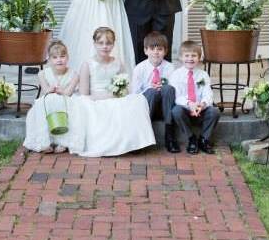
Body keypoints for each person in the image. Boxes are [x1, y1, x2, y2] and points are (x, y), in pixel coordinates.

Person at [73, 26, 155, 157]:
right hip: (96, 98)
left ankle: (133, 143)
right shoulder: (87, 64)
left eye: (108, 43)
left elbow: (125, 86)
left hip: (115, 96)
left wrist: (120, 92)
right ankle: (108, 144)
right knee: (93, 105)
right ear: (94, 44)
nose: (105, 46)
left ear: (113, 44)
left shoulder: (118, 63)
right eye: (101, 43)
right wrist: (106, 96)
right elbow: (84, 94)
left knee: (137, 100)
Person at [23, 40, 84, 154]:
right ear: (50, 60)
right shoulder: (42, 74)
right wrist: (50, 90)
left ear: (67, 57)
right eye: (55, 57)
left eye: (62, 56)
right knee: (43, 103)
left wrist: (62, 91)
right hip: (49, 102)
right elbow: (45, 91)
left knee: (68, 104)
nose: (59, 60)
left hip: (65, 101)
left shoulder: (74, 74)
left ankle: (64, 141)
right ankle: (45, 141)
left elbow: (69, 93)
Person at [131, 31, 179, 152]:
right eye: (152, 48)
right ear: (146, 50)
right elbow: (135, 94)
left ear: (165, 51)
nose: (156, 52)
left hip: (165, 107)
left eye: (160, 49)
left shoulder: (170, 68)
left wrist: (162, 88)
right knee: (152, 92)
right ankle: (142, 137)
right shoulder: (139, 68)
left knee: (168, 88)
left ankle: (170, 136)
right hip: (148, 108)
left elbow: (174, 91)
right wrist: (150, 89)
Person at [170, 40, 220, 155]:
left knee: (214, 111)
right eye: (186, 56)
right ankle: (191, 138)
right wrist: (189, 104)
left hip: (200, 110)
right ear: (181, 58)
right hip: (185, 110)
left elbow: (208, 94)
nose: (190, 59)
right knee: (176, 111)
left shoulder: (203, 75)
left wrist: (202, 105)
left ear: (199, 58)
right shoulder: (176, 75)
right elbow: (177, 97)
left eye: (194, 56)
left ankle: (203, 139)